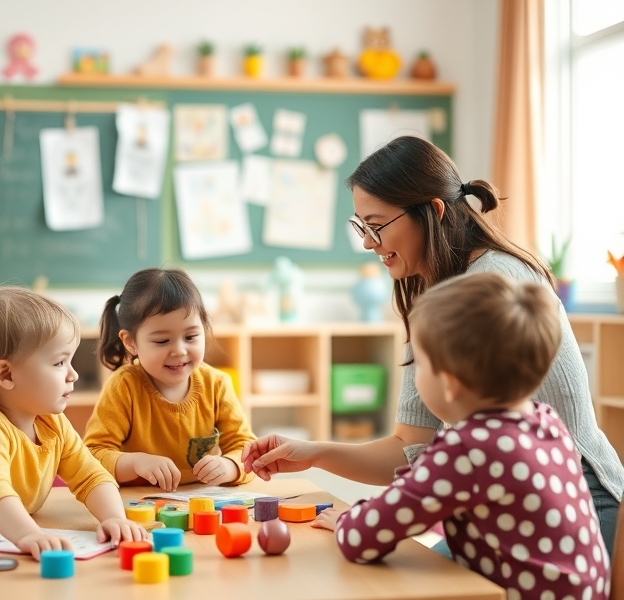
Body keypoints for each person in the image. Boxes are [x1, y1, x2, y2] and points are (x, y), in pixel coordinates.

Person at [242, 136, 623, 556]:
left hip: (573, 507)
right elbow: (412, 450)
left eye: (376, 225)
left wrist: (360, 523)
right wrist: (316, 453)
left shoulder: (487, 291)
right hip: (508, 511)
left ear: (433, 211)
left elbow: (420, 476)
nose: (368, 242)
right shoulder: (440, 297)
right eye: (361, 226)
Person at [318, 272, 611, 598]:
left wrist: (348, 521)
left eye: (420, 365)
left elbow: (363, 538)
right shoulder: (546, 422)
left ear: (449, 382)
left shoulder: (469, 448)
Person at [0, 287, 147, 560]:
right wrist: (28, 535)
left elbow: (91, 475)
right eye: (59, 363)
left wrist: (114, 518)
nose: (73, 374)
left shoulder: (52, 423)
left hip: (1, 531)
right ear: (6, 375)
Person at [84, 268, 256, 492]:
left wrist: (229, 466)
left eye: (190, 337)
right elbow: (93, 454)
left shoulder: (217, 384)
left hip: (202, 500)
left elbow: (247, 449)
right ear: (131, 342)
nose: (179, 351)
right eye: (162, 341)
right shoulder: (123, 387)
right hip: (139, 501)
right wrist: (136, 463)